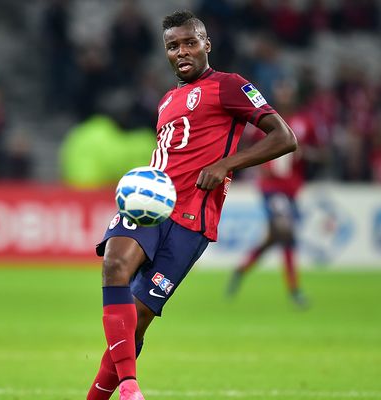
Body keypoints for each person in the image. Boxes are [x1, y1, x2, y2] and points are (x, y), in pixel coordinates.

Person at [86, 10, 298, 400]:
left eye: (189, 43)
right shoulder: (167, 100)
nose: (181, 52)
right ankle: (131, 386)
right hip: (148, 204)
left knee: (137, 321)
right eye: (172, 46)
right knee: (114, 264)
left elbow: (284, 137)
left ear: (206, 45)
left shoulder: (230, 86)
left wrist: (226, 165)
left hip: (192, 220)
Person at [226, 79, 321, 308]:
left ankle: (241, 269)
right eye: (281, 90)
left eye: (288, 90)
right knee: (286, 232)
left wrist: (306, 154)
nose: (285, 95)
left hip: (292, 189)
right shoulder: (266, 120)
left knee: (273, 238)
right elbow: (246, 146)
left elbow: (320, 153)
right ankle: (295, 290)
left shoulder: (305, 122)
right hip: (271, 188)